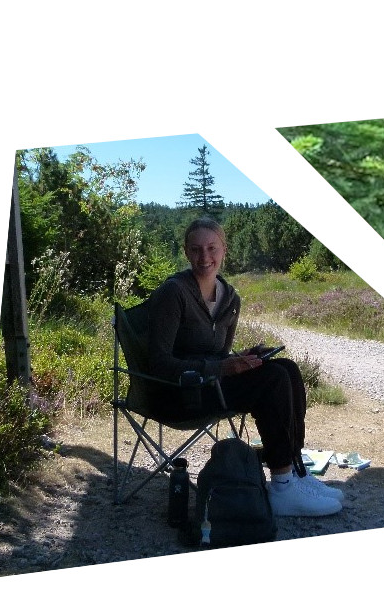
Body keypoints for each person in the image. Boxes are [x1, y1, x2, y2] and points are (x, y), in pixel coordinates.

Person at [143, 217, 341, 517]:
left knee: (286, 368)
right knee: (273, 379)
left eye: (212, 248)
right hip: (181, 393)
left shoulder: (230, 298)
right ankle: (282, 484)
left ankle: (296, 471)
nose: (204, 257)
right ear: (186, 252)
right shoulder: (175, 292)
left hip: (212, 387)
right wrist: (222, 369)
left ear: (224, 249)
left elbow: (218, 354)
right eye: (196, 249)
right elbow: (158, 363)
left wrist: (240, 359)